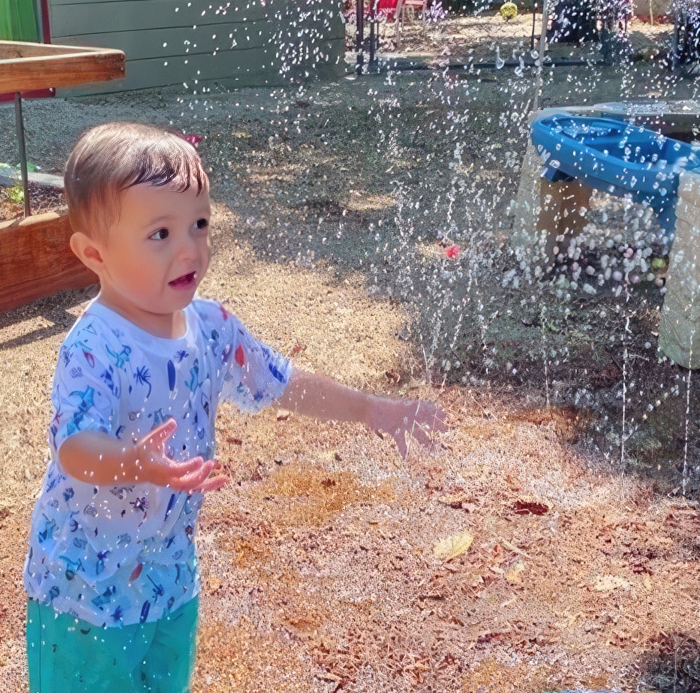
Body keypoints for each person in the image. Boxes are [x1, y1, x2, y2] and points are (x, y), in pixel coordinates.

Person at [23, 122, 447, 692]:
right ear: (93, 253)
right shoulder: (95, 346)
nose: (190, 248)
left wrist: (371, 409)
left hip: (167, 580)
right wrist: (137, 463)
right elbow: (75, 448)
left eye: (199, 224)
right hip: (85, 593)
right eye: (160, 234)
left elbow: (285, 383)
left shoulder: (212, 328)